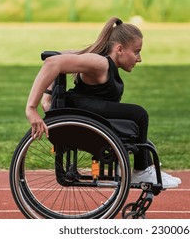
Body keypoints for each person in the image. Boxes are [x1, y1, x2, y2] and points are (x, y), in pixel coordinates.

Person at [25, 16, 181, 188]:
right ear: (120, 49)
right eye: (136, 52)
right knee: (139, 114)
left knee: (138, 129)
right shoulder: (100, 63)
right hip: (79, 111)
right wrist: (35, 106)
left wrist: (50, 96)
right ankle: (142, 171)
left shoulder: (100, 61)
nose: (139, 58)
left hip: (86, 111)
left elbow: (60, 56)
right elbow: (53, 62)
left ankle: (145, 167)